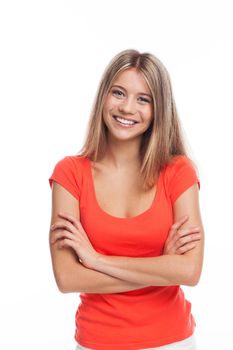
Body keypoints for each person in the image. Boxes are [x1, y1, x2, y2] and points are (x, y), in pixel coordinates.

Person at [48, 49, 204, 350]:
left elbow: (189, 271)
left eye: (143, 99)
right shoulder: (69, 173)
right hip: (97, 342)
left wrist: (96, 261)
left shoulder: (178, 172)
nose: (127, 107)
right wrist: (161, 268)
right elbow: (67, 277)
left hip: (172, 341)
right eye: (118, 93)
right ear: (103, 97)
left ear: (159, 109)